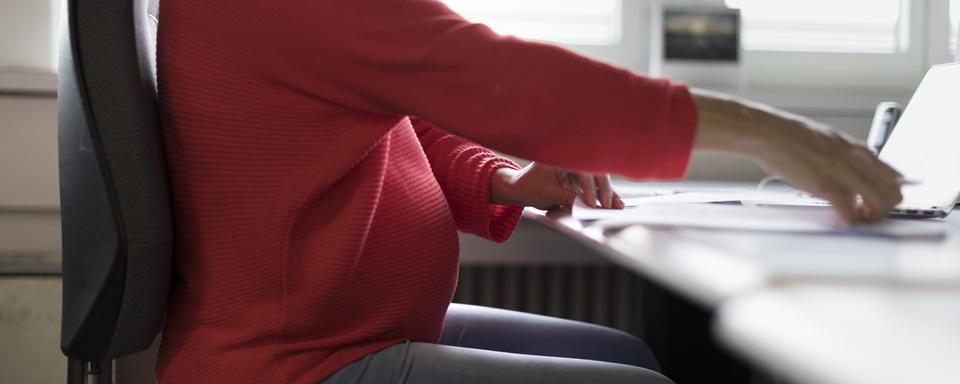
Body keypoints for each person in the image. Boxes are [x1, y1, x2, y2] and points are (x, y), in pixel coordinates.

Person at [154, 0, 903, 383]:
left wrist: (500, 177)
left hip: (336, 333)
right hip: (297, 365)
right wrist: (768, 132)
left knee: (632, 355)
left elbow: (398, 110)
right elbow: (505, 83)